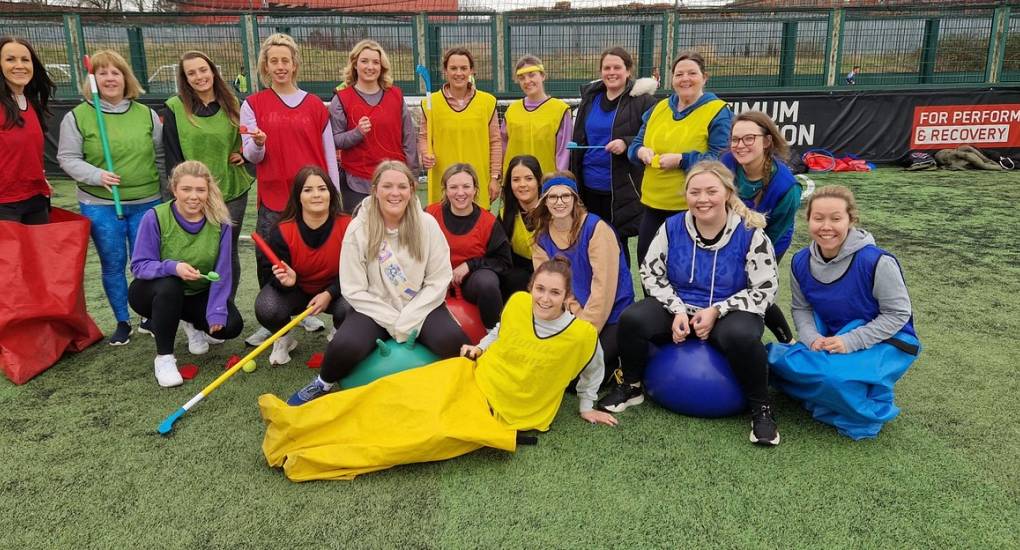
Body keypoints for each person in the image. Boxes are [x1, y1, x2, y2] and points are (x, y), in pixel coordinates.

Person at [259, 258, 617, 481]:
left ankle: (310, 453)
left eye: (555, 293)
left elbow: (592, 369)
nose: (545, 298)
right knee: (389, 393)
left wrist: (587, 406)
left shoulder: (581, 335)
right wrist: (480, 347)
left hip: (499, 414)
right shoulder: (520, 303)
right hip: (471, 376)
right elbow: (500, 331)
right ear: (530, 287)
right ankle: (295, 422)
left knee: (410, 435)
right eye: (540, 288)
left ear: (568, 297)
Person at [597, 161, 781, 446]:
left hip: (729, 312)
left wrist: (717, 310)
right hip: (680, 307)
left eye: (711, 191)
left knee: (740, 335)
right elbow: (650, 272)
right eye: (695, 192)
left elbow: (765, 288)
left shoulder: (750, 233)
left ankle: (761, 408)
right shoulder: (671, 227)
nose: (702, 199)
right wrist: (677, 309)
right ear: (686, 195)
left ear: (728, 193)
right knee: (633, 318)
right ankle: (632, 385)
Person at [287, 160, 469, 405]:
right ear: (375, 189)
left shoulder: (427, 224)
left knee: (452, 340)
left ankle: (470, 384)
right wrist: (393, 320)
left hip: (420, 306)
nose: (395, 193)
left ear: (412, 190)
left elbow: (439, 278)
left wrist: (410, 315)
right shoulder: (358, 228)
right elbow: (353, 288)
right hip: (373, 309)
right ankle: (323, 382)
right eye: (387, 186)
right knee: (344, 346)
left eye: (402, 187)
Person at [768, 185, 919, 440]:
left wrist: (850, 341)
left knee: (832, 378)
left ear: (851, 219)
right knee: (768, 361)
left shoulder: (877, 261)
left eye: (836, 218)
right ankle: (831, 382)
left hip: (886, 341)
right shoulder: (800, 261)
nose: (826, 226)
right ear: (808, 220)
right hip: (831, 339)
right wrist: (811, 338)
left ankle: (863, 401)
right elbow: (801, 308)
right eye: (818, 218)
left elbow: (897, 314)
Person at [57, 49, 165, 345]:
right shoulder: (78, 116)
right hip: (101, 204)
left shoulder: (146, 114)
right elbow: (67, 158)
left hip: (147, 200)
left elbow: (159, 156)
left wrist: (165, 193)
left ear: (125, 77)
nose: (109, 77)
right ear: (92, 79)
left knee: (147, 262)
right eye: (101, 72)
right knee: (113, 262)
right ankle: (122, 320)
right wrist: (96, 175)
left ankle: (148, 316)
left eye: (115, 72)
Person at [241, 33, 339, 345]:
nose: (280, 66)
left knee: (312, 255)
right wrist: (258, 144)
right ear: (265, 67)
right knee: (268, 259)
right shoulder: (253, 104)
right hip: (273, 198)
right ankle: (275, 323)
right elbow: (252, 156)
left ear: (295, 64)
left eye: (286, 60)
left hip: (312, 200)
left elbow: (328, 154)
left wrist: (332, 195)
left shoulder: (314, 105)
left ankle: (306, 312)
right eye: (274, 61)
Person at [128, 161, 243, 387]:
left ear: (208, 191)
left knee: (231, 327)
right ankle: (165, 358)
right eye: (186, 189)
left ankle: (190, 322)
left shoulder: (220, 221)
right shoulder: (155, 217)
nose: (194, 196)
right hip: (153, 292)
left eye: (200, 190)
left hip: (196, 294)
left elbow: (223, 271)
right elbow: (139, 266)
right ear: (174, 190)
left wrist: (217, 311)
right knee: (170, 286)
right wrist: (172, 267)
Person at [163, 50, 254, 297]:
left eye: (203, 70)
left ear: (213, 71)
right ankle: (196, 310)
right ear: (185, 78)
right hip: (194, 194)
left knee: (227, 250)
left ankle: (224, 307)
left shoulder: (234, 103)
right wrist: (181, 192)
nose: (199, 76)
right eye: (191, 73)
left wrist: (244, 153)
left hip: (231, 191)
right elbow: (172, 154)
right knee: (195, 250)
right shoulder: (174, 107)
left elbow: (250, 138)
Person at [629, 51, 732, 266]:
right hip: (652, 205)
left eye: (692, 73)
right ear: (672, 79)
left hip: (691, 209)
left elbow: (721, 161)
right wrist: (640, 152)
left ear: (704, 77)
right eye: (679, 74)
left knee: (684, 270)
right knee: (648, 266)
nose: (685, 79)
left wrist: (682, 160)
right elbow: (636, 144)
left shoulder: (717, 111)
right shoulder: (659, 108)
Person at [531, 172, 634, 383]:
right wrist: (574, 316)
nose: (559, 202)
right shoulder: (541, 239)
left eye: (565, 196)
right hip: (570, 314)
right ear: (544, 201)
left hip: (611, 313)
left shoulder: (596, 229)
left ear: (575, 199)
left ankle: (619, 361)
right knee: (558, 372)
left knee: (581, 374)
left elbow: (603, 287)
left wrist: (585, 332)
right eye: (553, 197)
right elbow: (549, 290)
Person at [254, 166, 352, 365]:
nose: (316, 195)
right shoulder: (282, 230)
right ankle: (284, 339)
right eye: (308, 190)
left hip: (337, 292)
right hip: (296, 292)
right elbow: (269, 279)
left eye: (322, 189)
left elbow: (357, 272)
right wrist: (286, 282)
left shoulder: (349, 225)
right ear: (298, 196)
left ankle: (340, 331)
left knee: (354, 305)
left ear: (331, 194)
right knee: (267, 307)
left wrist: (330, 293)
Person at [570, 47, 658, 266]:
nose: (611, 72)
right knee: (591, 243)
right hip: (589, 186)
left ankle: (622, 297)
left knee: (617, 246)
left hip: (621, 188)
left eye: (617, 67)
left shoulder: (643, 101)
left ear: (628, 71)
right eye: (606, 68)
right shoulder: (590, 98)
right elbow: (579, 136)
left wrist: (626, 142)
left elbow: (652, 137)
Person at [721, 110, 801, 343]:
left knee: (754, 288)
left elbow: (772, 236)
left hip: (769, 241)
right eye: (735, 139)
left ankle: (786, 340)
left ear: (767, 141)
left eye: (749, 138)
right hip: (731, 235)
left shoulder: (787, 187)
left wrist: (744, 257)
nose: (740, 146)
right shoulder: (727, 162)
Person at [329, 39, 417, 213]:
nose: (370, 67)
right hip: (357, 182)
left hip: (394, 181)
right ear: (355, 64)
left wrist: (412, 174)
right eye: (364, 61)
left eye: (375, 62)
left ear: (382, 66)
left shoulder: (396, 96)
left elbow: (409, 138)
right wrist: (356, 133)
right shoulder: (341, 99)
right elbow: (334, 140)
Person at [425, 164, 511, 329]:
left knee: (487, 282)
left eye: (466, 186)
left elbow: (503, 262)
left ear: (475, 189)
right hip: (433, 279)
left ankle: (495, 335)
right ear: (445, 190)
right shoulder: (429, 214)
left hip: (469, 282)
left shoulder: (488, 222)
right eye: (453, 187)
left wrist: (470, 265)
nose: (460, 193)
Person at [418, 47, 501, 209]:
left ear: (472, 70)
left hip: (477, 182)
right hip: (443, 182)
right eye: (453, 68)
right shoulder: (430, 103)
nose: (459, 73)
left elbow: (495, 142)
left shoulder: (487, 102)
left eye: (464, 68)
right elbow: (424, 137)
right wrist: (425, 153)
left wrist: (494, 177)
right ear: (445, 71)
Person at [0, 36, 55, 224]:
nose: (19, 65)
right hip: (4, 204)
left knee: (40, 254)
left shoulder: (32, 103)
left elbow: (26, 151)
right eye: (10, 59)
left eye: (25, 59)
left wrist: (41, 177)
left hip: (36, 200)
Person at [500, 55, 571, 177]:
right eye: (522, 78)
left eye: (532, 75)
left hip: (547, 181)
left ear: (543, 76)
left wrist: (559, 179)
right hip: (517, 182)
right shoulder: (511, 111)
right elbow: (503, 147)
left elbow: (564, 151)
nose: (527, 81)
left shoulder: (560, 110)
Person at [497, 155, 542, 298]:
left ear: (539, 181)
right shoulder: (505, 214)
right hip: (519, 276)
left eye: (529, 178)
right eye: (516, 180)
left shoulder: (553, 209)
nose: (522, 184)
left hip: (552, 271)